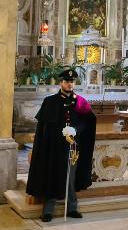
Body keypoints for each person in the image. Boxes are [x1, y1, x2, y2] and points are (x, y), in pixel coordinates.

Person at [26, 69, 96, 222]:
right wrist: (60, 131)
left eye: (72, 82)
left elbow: (88, 122)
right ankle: (48, 211)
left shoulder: (80, 101)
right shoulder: (50, 101)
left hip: (73, 147)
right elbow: (44, 127)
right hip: (54, 147)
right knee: (53, 174)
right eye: (67, 81)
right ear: (61, 83)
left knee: (71, 177)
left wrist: (76, 130)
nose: (70, 84)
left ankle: (72, 207)